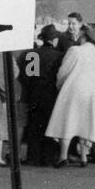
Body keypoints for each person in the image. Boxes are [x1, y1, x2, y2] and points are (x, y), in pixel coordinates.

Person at [47, 24, 95, 166]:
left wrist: (59, 85)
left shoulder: (75, 50)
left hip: (73, 90)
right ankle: (84, 156)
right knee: (85, 123)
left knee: (68, 122)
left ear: (84, 37)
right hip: (91, 93)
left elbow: (63, 72)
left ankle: (63, 156)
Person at [19, 25, 63, 166]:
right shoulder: (59, 56)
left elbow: (26, 77)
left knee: (34, 126)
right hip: (50, 94)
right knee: (49, 125)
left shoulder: (31, 54)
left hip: (33, 94)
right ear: (54, 40)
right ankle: (48, 157)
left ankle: (33, 156)